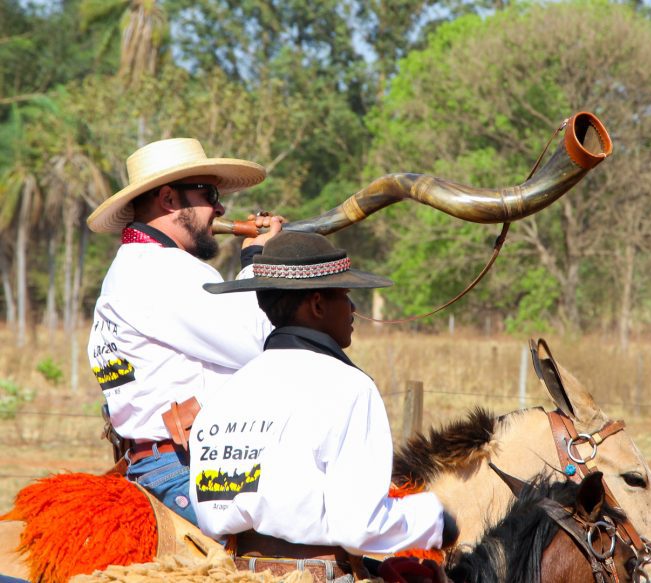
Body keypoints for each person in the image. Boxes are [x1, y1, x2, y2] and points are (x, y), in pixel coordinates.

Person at [190, 231, 457, 568]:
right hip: (317, 573)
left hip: (235, 572)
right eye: (345, 296)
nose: (353, 309)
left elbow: (210, 512)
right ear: (317, 304)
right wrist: (434, 521)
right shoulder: (349, 387)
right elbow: (360, 526)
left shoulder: (224, 394)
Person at [86, 137, 282, 524]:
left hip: (165, 462)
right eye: (208, 193)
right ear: (169, 200)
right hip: (186, 470)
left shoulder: (135, 266)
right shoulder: (161, 270)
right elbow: (257, 343)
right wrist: (258, 260)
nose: (221, 207)